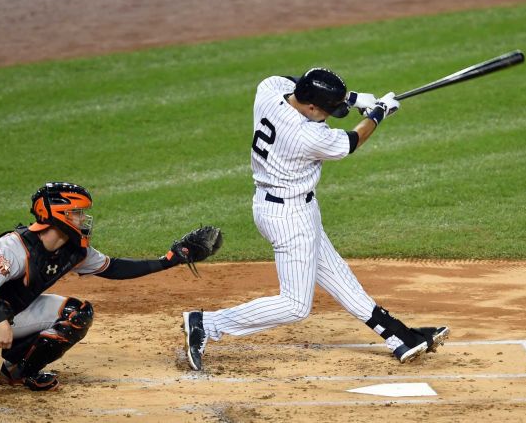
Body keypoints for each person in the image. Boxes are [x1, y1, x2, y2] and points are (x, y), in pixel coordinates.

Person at [182, 68, 449, 371]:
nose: (332, 115)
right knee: (296, 306)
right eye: (328, 110)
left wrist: (351, 98)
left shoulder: (269, 90)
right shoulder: (307, 135)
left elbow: (292, 79)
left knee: (337, 274)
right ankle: (207, 323)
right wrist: (377, 113)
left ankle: (397, 335)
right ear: (310, 107)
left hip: (286, 206)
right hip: (288, 216)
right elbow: (351, 141)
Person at [0, 182, 219, 407]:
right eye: (76, 212)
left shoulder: (73, 248)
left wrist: (170, 260)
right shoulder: (15, 248)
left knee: (77, 314)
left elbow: (113, 267)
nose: (83, 218)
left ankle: (18, 370)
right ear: (57, 214)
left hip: (7, 307)